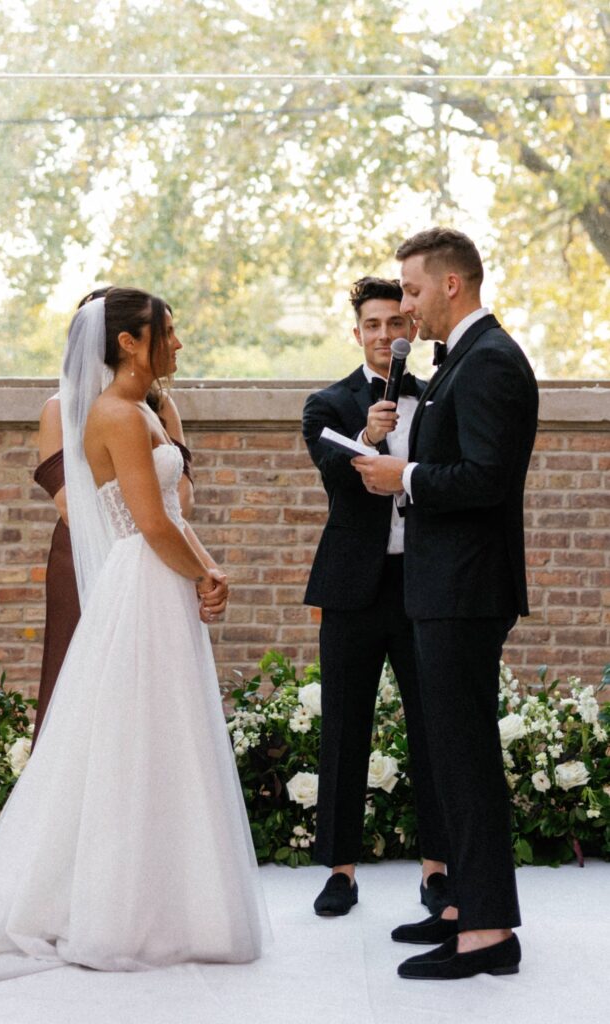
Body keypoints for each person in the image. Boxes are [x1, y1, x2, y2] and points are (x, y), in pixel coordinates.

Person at [0, 288, 268, 987]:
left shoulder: (146, 409)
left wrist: (208, 570)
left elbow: (177, 507)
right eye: (165, 333)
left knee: (169, 737)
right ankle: (114, 909)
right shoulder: (113, 414)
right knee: (128, 739)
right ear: (128, 343)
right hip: (140, 583)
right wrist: (202, 573)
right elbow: (147, 522)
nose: (176, 344)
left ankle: (178, 904)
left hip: (158, 584)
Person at [352, 228, 538, 980]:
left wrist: (406, 478)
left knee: (465, 758)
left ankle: (489, 934)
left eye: (414, 291)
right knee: (449, 755)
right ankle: (462, 904)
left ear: (452, 285)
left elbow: (488, 476)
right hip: (443, 586)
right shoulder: (461, 358)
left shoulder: (490, 360)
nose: (405, 305)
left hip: (465, 590)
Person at [302, 277, 449, 919]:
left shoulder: (442, 397)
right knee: (344, 727)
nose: (385, 335)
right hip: (352, 590)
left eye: (396, 323)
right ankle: (340, 870)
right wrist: (365, 435)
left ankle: (438, 870)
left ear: (410, 330)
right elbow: (337, 480)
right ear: (357, 332)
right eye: (372, 325)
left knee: (434, 729)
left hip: (425, 585)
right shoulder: (326, 404)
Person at [32, 287, 194, 744]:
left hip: (151, 549)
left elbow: (181, 495)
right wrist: (135, 539)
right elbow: (71, 505)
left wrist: (156, 533)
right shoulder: (59, 411)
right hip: (86, 552)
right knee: (78, 684)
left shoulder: (158, 406)